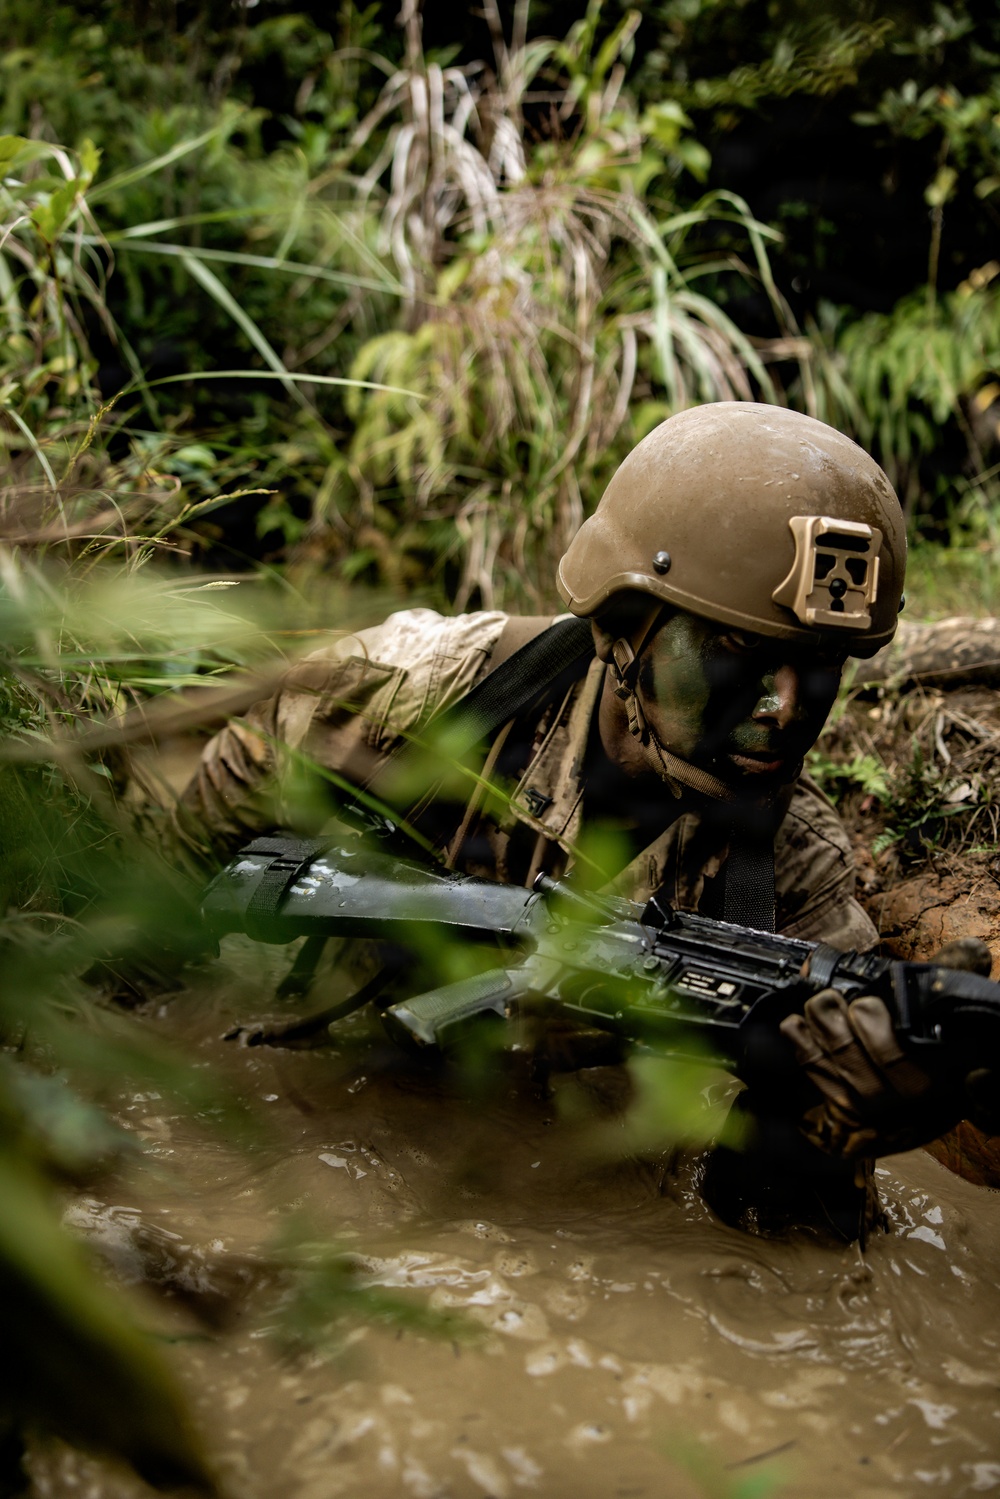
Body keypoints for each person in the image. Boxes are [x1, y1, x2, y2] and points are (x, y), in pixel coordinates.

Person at [176, 402, 990, 1236]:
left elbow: (784, 1263)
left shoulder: (790, 877)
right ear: (619, 625)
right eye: (739, 653)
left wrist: (823, 1126)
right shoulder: (418, 692)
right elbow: (170, 875)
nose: (787, 708)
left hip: (542, 1217)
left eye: (821, 667)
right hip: (299, 1124)